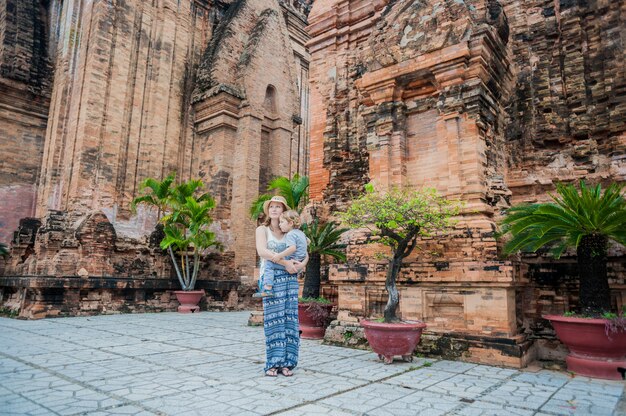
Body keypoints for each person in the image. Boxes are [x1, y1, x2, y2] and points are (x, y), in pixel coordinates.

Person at [255, 195, 307, 377]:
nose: (274, 209)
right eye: (272, 207)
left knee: (290, 319)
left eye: (278, 207)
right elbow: (262, 252)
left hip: (290, 279)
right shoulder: (263, 230)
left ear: (284, 211)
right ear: (268, 210)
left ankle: (288, 363)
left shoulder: (290, 232)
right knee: (273, 320)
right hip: (271, 279)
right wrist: (286, 263)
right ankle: (273, 362)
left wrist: (302, 264)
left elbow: (305, 251)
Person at [253, 210, 308, 298]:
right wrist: (303, 263)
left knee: (269, 263)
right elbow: (306, 244)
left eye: (282, 222)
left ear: (290, 223)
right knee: (273, 255)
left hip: (292, 261)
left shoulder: (290, 234)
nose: (280, 224)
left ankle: (268, 288)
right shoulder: (301, 233)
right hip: (298, 263)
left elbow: (292, 248)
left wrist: (279, 255)